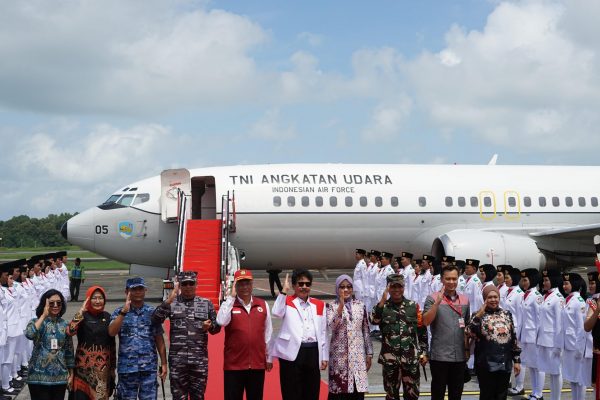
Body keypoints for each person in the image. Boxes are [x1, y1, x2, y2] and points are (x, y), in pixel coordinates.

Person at [152, 271, 220, 400]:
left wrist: (210, 326)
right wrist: (168, 300)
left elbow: (217, 328)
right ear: (180, 286)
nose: (188, 286)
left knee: (198, 397)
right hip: (178, 362)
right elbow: (155, 320)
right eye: (185, 283)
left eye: (191, 283)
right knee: (178, 397)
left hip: (199, 362)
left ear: (196, 284)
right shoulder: (172, 303)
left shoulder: (206, 303)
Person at [269, 269, 328, 400]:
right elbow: (276, 312)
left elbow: (323, 332)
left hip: (312, 352)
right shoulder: (287, 300)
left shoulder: (319, 304)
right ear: (294, 286)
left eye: (307, 284)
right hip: (291, 354)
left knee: (311, 392)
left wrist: (324, 356)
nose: (304, 287)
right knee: (291, 393)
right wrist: (283, 291)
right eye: (300, 284)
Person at [216, 269, 272, 400]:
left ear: (252, 284)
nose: (244, 287)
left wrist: (269, 357)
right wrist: (230, 297)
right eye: (240, 284)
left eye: (247, 283)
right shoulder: (230, 305)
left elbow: (268, 333)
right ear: (235, 286)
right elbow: (221, 321)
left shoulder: (262, 305)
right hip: (234, 365)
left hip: (257, 364)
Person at [109, 277, 167, 400]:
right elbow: (112, 332)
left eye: (140, 289)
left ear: (145, 290)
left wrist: (164, 363)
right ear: (127, 292)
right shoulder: (119, 312)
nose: (138, 292)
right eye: (134, 289)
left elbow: (159, 339)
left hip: (149, 368)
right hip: (127, 368)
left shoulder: (152, 312)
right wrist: (123, 313)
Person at [371, 274, 427, 400]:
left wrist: (423, 352)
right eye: (393, 286)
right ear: (388, 288)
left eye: (399, 286)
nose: (397, 290)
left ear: (404, 287)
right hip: (390, 361)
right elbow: (374, 320)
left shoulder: (413, 306)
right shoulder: (382, 307)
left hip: (410, 360)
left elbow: (422, 331)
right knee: (391, 395)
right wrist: (382, 300)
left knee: (412, 395)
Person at [422, 265, 470, 400]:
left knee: (456, 394)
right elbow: (425, 321)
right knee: (438, 393)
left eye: (454, 278)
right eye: (448, 279)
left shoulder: (465, 300)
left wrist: (466, 350)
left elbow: (466, 327)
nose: (451, 282)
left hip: (459, 356)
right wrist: (436, 304)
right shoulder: (432, 298)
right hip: (440, 356)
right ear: (442, 280)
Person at [466, 284, 521, 400]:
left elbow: (513, 337)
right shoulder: (478, 315)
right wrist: (479, 316)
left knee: (501, 395)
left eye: (495, 297)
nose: (493, 300)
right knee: (487, 395)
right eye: (489, 297)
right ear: (484, 299)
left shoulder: (506, 314)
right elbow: (468, 331)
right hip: (486, 363)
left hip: (504, 362)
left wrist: (516, 360)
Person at [326, 274, 373, 399]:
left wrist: (369, 354)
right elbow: (332, 326)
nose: (346, 290)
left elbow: (366, 330)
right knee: (339, 392)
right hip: (339, 360)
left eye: (349, 287)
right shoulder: (331, 306)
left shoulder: (360, 305)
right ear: (337, 289)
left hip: (357, 358)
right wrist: (340, 307)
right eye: (342, 287)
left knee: (357, 392)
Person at [67, 286, 116, 400]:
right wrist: (81, 310)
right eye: (94, 298)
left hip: (102, 371)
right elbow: (70, 331)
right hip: (82, 370)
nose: (98, 301)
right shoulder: (82, 316)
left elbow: (112, 344)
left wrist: (113, 368)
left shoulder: (108, 317)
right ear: (88, 299)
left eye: (100, 298)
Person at [25, 289, 75, 400]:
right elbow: (29, 334)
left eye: (59, 302)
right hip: (38, 378)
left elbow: (69, 350)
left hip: (60, 377)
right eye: (51, 303)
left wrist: (71, 373)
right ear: (45, 304)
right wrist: (43, 316)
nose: (56, 305)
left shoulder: (65, 324)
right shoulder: (36, 322)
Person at [561, 273, 589, 400]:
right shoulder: (568, 299)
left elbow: (581, 327)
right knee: (572, 377)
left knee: (579, 378)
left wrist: (580, 348)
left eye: (567, 283)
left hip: (575, 345)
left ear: (575, 284)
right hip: (568, 345)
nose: (564, 286)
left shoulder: (578, 302)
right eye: (564, 283)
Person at [537, 269, 564, 400]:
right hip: (544, 340)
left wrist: (559, 346)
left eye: (547, 280)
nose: (544, 282)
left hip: (553, 341)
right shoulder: (545, 296)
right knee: (550, 372)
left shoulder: (558, 299)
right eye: (544, 280)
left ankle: (556, 398)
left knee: (556, 372)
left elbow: (559, 324)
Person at [519, 269, 545, 400]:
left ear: (532, 280)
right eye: (523, 280)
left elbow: (540, 319)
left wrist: (539, 337)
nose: (523, 283)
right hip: (526, 335)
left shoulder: (537, 296)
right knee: (531, 366)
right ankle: (534, 392)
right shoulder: (526, 295)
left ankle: (539, 393)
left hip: (534, 336)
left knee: (538, 366)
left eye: (525, 280)